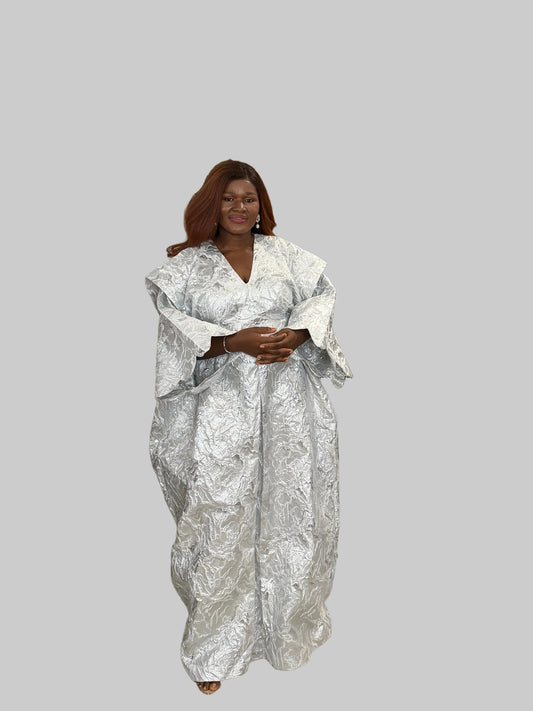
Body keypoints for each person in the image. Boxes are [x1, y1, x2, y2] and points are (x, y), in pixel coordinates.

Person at [145, 159, 353, 694]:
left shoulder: (290, 258)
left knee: (292, 513)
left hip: (289, 408)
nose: (240, 207)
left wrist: (299, 335)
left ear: (261, 205)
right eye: (229, 198)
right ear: (210, 204)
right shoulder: (186, 268)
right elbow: (175, 332)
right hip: (218, 410)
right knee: (217, 522)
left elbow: (322, 301)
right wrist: (230, 341)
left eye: (249, 198)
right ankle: (213, 650)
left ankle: (288, 634)